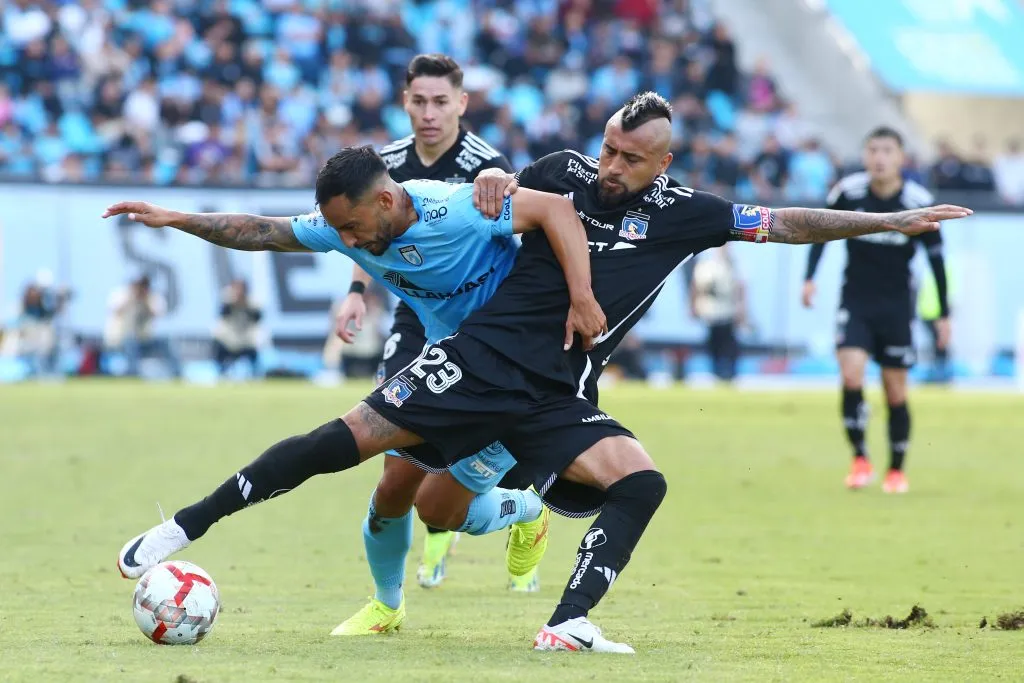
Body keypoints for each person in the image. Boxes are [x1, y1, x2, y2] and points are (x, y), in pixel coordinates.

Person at [110, 94, 971, 653]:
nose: (609, 166)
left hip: (558, 391)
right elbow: (528, 196)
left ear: (661, 165)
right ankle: (187, 525)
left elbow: (782, 223)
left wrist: (887, 221)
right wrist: (495, 179)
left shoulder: (690, 215)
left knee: (639, 480)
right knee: (349, 449)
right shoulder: (563, 173)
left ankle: (567, 622)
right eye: (607, 148)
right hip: (481, 360)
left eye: (628, 158)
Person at [334, 53, 517, 594]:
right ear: (405, 103)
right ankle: (387, 600)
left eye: (440, 102)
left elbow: (518, 237)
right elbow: (365, 234)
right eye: (419, 102)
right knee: (395, 470)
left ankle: (508, 514)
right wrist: (356, 292)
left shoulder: (489, 166)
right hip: (415, 316)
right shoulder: (386, 164)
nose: (429, 113)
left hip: (479, 325)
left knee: (450, 467)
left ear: (462, 103)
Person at [802, 127, 951, 494]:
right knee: (851, 375)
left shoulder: (917, 201)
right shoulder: (848, 193)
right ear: (865, 155)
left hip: (897, 308)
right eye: (873, 150)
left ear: (901, 157)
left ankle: (896, 470)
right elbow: (820, 233)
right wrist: (809, 278)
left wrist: (943, 314)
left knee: (895, 391)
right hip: (855, 301)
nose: (879, 157)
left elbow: (936, 260)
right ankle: (860, 459)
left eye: (887, 150)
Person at [103, 275, 182, 378]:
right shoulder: (122, 294)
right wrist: (132, 298)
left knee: (166, 343)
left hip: (145, 339)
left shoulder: (151, 297)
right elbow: (116, 310)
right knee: (130, 343)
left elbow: (157, 313)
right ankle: (132, 373)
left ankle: (177, 373)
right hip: (120, 339)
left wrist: (144, 301)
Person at [690, 244, 746, 382]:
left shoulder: (734, 266)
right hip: (711, 313)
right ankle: (716, 372)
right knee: (713, 345)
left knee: (729, 345)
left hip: (727, 313)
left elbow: (740, 289)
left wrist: (741, 310)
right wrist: (693, 306)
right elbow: (696, 287)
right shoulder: (705, 266)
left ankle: (730, 372)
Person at [212, 279, 262, 377]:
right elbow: (223, 314)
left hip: (245, 340)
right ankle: (221, 371)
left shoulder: (252, 302)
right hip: (229, 339)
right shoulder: (227, 300)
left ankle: (255, 373)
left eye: (241, 289)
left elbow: (257, 318)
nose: (239, 292)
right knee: (218, 345)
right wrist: (232, 302)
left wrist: (246, 305)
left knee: (254, 349)